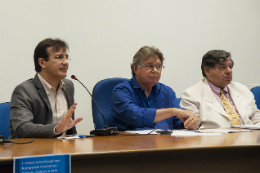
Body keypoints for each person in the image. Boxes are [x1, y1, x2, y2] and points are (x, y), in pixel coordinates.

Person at [111, 46, 200, 131]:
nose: (155, 70)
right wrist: (172, 112)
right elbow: (135, 115)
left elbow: (178, 119)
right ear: (135, 68)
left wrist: (191, 121)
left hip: (164, 144)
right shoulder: (121, 91)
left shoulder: (167, 92)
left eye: (158, 66)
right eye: (149, 66)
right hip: (131, 144)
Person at [9, 38, 83, 138]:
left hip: (63, 148)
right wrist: (56, 129)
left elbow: (68, 128)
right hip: (32, 150)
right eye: (59, 57)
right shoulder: (24, 90)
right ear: (42, 63)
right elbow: (22, 128)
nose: (65, 62)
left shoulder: (68, 86)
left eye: (66, 57)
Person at [180, 50, 260, 128]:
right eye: (222, 67)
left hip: (248, 138)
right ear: (207, 70)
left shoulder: (242, 89)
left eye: (230, 67)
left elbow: (256, 118)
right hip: (214, 140)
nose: (229, 71)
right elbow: (194, 125)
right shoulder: (190, 95)